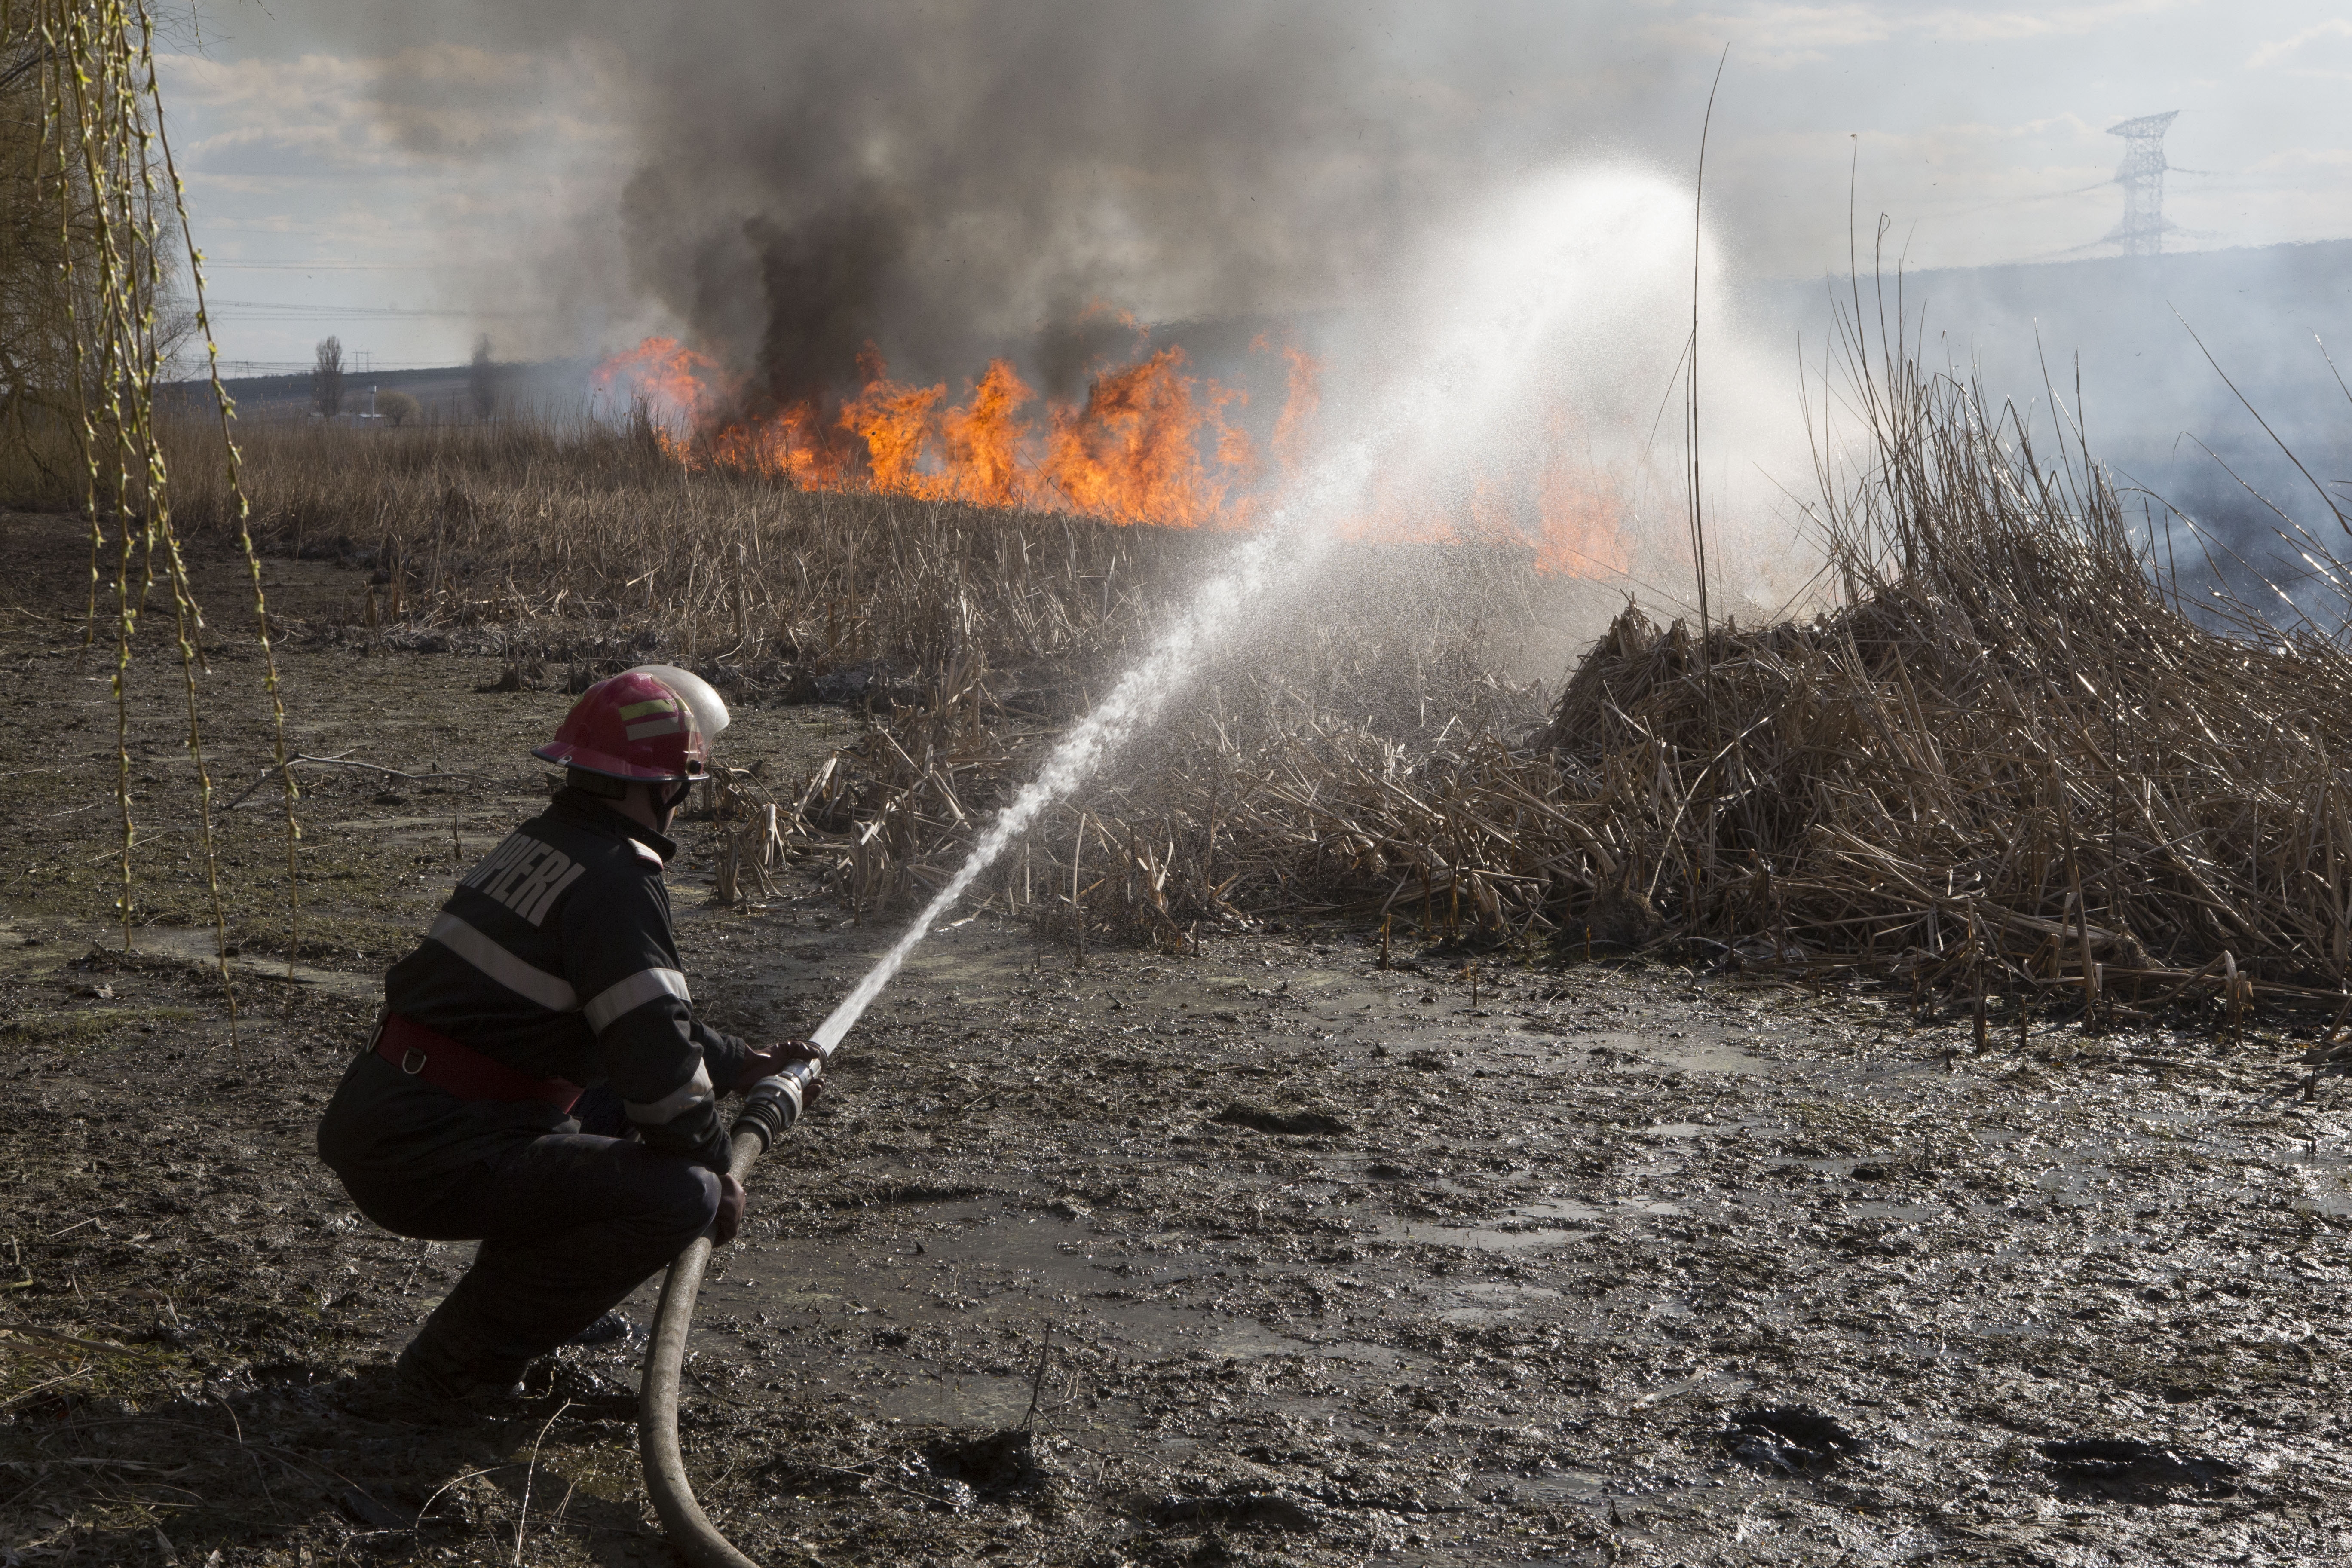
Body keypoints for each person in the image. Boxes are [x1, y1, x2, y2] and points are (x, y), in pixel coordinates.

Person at [317, 664, 814, 1408]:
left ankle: (524, 1318)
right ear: (667, 786)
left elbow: (634, 1020)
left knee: (629, 1130)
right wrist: (722, 1177)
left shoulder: (547, 847)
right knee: (680, 1194)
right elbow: (660, 1074)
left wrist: (744, 1064)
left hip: (399, 1120)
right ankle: (456, 1365)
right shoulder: (617, 882)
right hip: (433, 1154)